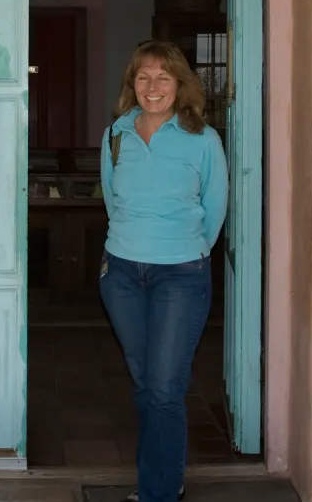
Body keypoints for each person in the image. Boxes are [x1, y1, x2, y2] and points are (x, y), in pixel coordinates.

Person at [98, 40, 229, 502]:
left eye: (163, 77)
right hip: (123, 275)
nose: (152, 87)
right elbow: (114, 201)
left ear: (180, 84)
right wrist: (126, 250)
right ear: (131, 84)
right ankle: (163, 478)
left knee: (164, 389)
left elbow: (215, 209)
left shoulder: (203, 139)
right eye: (143, 77)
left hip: (180, 274)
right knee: (147, 383)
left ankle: (156, 493)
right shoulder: (116, 134)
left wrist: (185, 252)